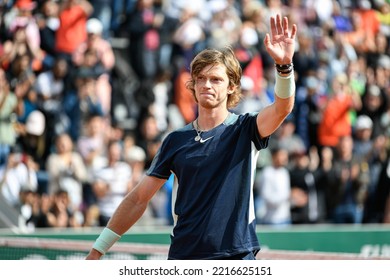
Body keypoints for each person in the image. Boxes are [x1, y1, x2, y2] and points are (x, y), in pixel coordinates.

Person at [86, 14, 297, 260]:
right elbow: (137, 200)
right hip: (184, 259)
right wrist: (97, 250)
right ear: (194, 85)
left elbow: (282, 108)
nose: (207, 85)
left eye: (216, 79)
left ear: (231, 86)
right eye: (201, 79)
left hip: (236, 258)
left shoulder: (246, 128)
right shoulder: (176, 140)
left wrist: (284, 68)